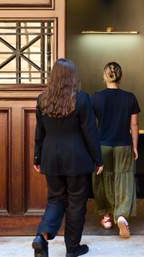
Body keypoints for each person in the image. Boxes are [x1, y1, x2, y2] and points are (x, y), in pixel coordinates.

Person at [32, 59, 103, 257]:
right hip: (76, 159)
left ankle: (41, 237)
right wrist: (98, 159)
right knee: (76, 203)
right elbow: (90, 132)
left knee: (55, 199)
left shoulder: (42, 99)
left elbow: (40, 132)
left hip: (50, 157)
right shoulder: (81, 99)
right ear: (72, 77)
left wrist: (37, 157)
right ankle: (72, 248)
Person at [91, 61, 140, 239]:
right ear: (121, 76)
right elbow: (134, 124)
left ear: (105, 76)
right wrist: (135, 146)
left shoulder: (96, 97)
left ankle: (106, 216)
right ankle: (121, 215)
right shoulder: (130, 98)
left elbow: (90, 125)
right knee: (124, 179)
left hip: (102, 145)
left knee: (102, 180)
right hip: (124, 144)